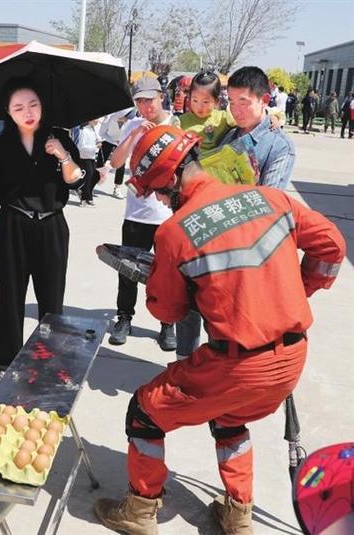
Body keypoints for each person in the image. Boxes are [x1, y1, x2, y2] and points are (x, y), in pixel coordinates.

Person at [94, 125, 345, 535]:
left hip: (237, 365)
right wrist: (297, 291)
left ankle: (139, 511)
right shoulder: (271, 198)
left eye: (158, 192)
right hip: (293, 358)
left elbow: (167, 312)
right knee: (229, 418)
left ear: (172, 180)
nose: (159, 201)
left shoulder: (175, 233)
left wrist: (160, 276)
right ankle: (238, 515)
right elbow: (332, 245)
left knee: (145, 411)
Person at [0, 78, 84, 373]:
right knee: (11, 295)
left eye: (33, 105)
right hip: (13, 224)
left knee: (52, 296)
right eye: (18, 107)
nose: (27, 112)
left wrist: (62, 155)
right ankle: (6, 357)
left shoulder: (59, 138)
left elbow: (76, 180)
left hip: (52, 226)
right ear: (8, 112)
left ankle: (49, 355)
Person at [108, 76, 180, 350]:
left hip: (167, 216)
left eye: (149, 100)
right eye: (139, 101)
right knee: (128, 271)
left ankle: (167, 324)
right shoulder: (135, 124)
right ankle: (124, 317)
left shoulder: (176, 125)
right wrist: (136, 135)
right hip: (136, 214)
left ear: (161, 96)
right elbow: (115, 161)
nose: (145, 107)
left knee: (167, 275)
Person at [220, 66, 295, 189]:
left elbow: (270, 201)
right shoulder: (230, 134)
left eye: (243, 103)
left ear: (264, 100)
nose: (235, 111)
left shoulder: (279, 146)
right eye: (232, 103)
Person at [98, 107, 136, 198]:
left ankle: (117, 188)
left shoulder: (131, 122)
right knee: (100, 161)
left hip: (122, 143)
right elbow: (102, 133)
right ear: (121, 114)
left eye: (129, 119)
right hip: (108, 140)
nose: (127, 120)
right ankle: (92, 182)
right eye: (126, 117)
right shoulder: (110, 118)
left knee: (121, 165)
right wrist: (114, 141)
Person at [75, 118, 102, 206]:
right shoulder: (84, 130)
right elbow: (81, 146)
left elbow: (98, 138)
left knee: (95, 176)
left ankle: (87, 194)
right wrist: (95, 146)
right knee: (88, 176)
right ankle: (85, 198)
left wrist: (98, 141)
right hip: (84, 157)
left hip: (92, 156)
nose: (97, 121)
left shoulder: (93, 129)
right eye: (95, 120)